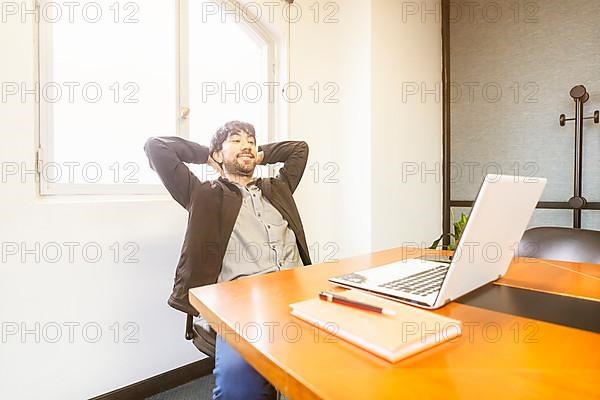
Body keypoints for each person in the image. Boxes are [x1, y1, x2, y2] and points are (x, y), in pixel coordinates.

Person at [144, 121, 312, 400]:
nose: (246, 144)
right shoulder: (204, 194)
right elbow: (157, 147)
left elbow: (299, 150)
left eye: (251, 140)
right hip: (242, 307)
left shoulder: (278, 188)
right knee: (238, 388)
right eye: (236, 140)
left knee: (338, 368)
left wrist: (261, 153)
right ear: (219, 154)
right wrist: (204, 154)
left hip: (297, 296)